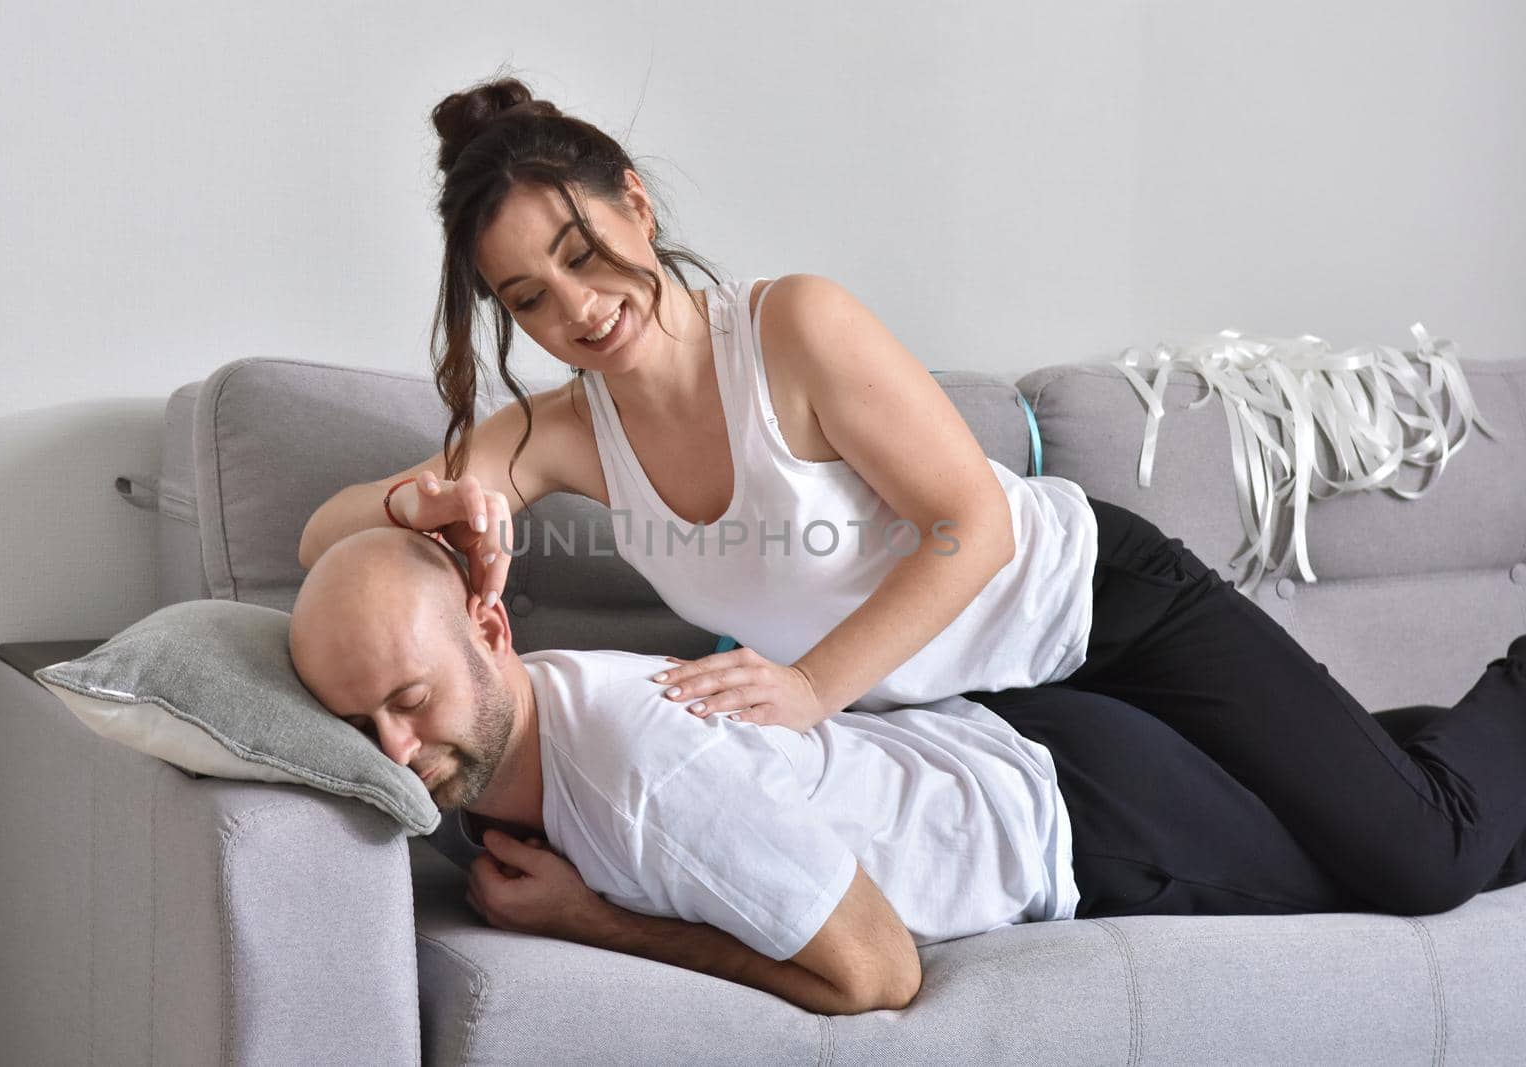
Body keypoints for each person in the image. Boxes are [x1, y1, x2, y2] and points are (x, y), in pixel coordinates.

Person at [299, 76, 1526, 919]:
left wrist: (810, 686)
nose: (572, 310)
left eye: (578, 254)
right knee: (1328, 856)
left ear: (636, 200)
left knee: (1423, 858)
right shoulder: (568, 433)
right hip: (1002, 716)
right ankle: (1370, 748)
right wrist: (434, 503)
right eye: (524, 299)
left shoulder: (791, 330)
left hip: (1103, 610)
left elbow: (974, 526)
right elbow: (320, 536)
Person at [288, 528, 1526, 1015]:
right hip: (1035, 743)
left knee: (1439, 848)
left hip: (1084, 821)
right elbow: (357, 559)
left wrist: (589, 920)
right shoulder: (512, 717)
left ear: (492, 633)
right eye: (363, 722)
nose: (396, 750)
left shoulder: (639, 775)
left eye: (412, 701)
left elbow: (875, 973)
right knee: (1412, 798)